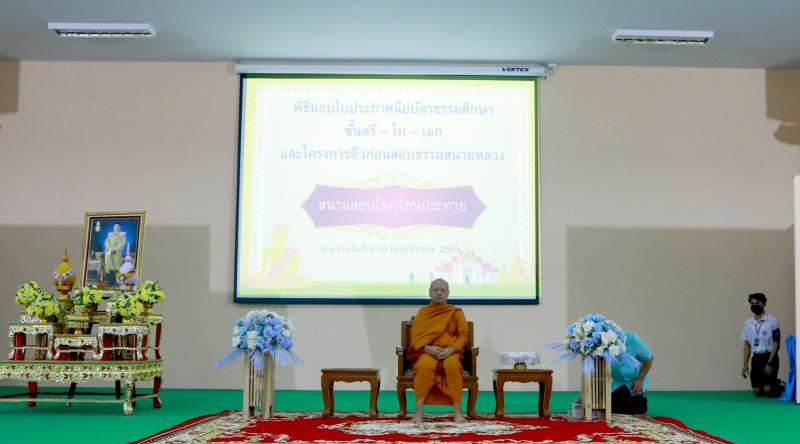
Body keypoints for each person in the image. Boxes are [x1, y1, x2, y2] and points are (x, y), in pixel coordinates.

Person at [408, 279, 469, 424]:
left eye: (442, 290)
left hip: (450, 352)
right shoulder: (423, 313)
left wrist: (452, 349)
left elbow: (464, 335)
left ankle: (457, 412)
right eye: (435, 290)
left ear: (448, 293)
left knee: (453, 366)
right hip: (428, 351)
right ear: (430, 293)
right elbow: (416, 337)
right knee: (424, 366)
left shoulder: (456, 312)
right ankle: (418, 413)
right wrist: (426, 348)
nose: (439, 293)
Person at [741, 292, 782, 397]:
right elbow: (747, 344)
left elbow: (776, 343)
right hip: (756, 359)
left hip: (770, 357)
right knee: (757, 392)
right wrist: (745, 364)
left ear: (764, 304)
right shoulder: (748, 323)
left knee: (768, 390)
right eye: (752, 303)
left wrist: (770, 364)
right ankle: (766, 385)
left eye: (757, 303)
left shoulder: (772, 321)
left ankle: (780, 385)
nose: (754, 305)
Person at [610, 331, 653, 414]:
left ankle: (640, 400)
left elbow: (649, 358)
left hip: (635, 381)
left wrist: (640, 380)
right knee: (609, 406)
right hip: (616, 383)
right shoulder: (600, 347)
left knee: (636, 405)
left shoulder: (631, 339)